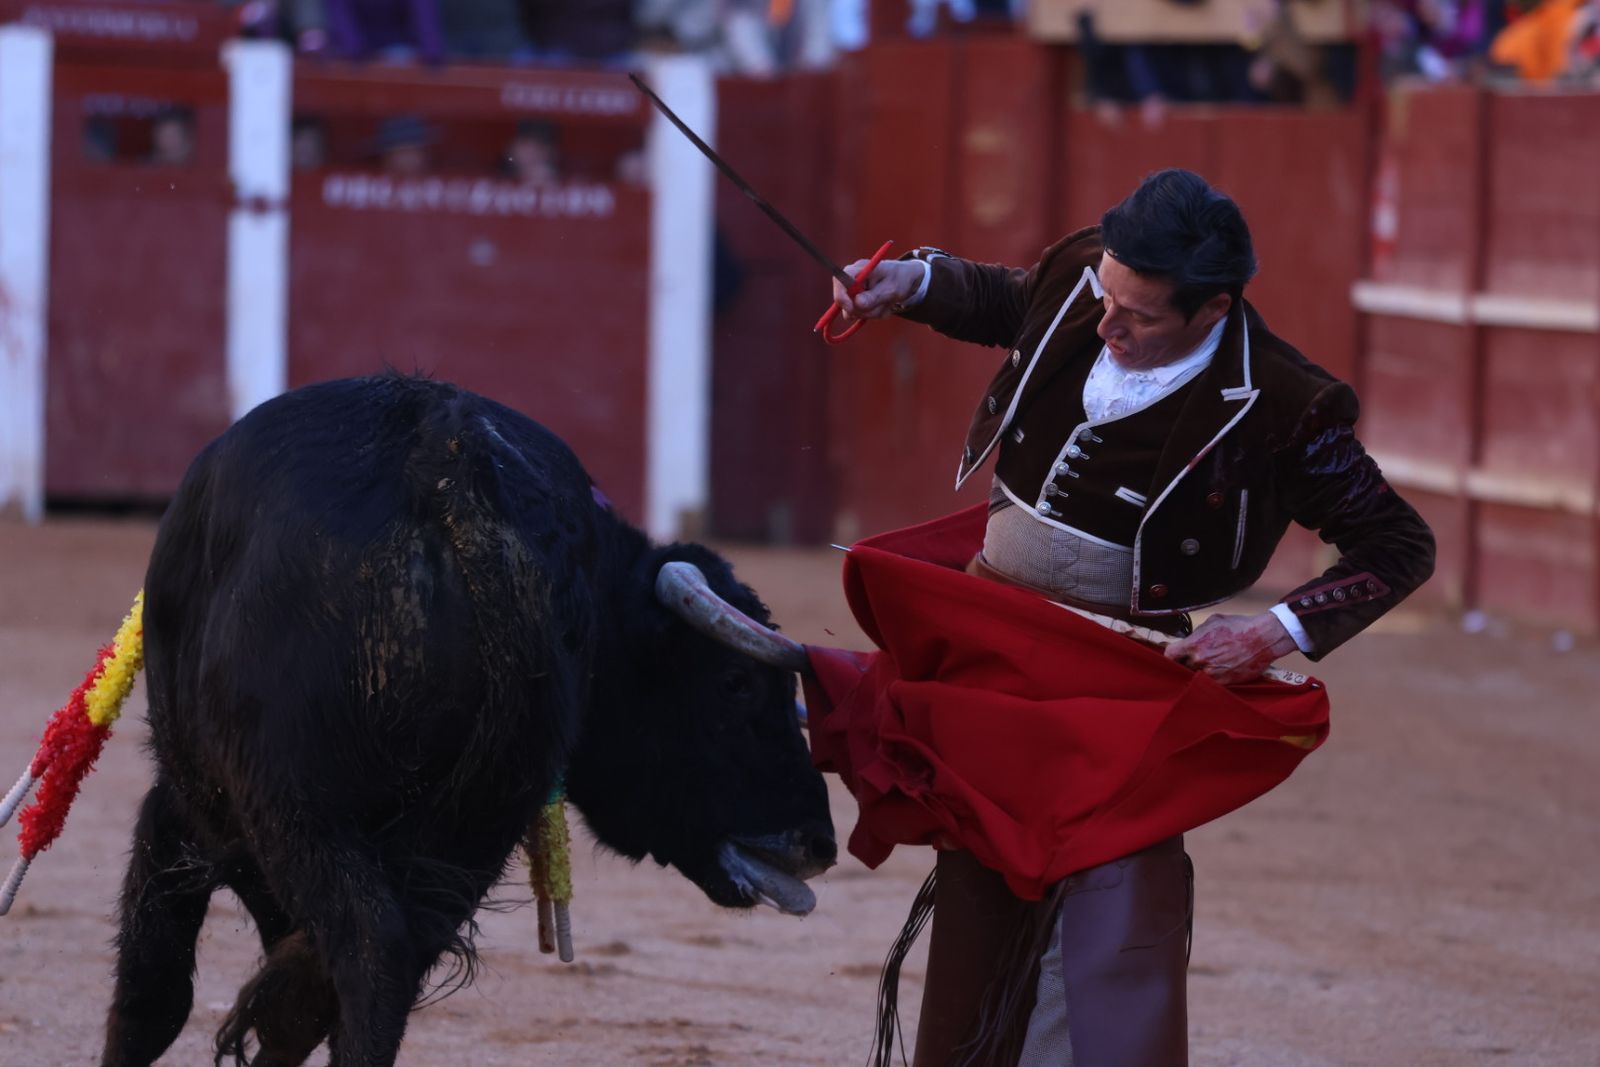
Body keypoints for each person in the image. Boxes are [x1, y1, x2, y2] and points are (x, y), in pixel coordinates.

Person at [827, 168, 1436, 1066]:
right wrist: (911, 283)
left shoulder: (1283, 404)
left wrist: (1269, 633)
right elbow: (1017, 303)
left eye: (1137, 317)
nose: (1105, 324)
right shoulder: (1090, 276)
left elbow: (1397, 544)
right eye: (1104, 296)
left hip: (1118, 670)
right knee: (980, 876)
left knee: (1118, 885)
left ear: (1213, 312)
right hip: (990, 640)